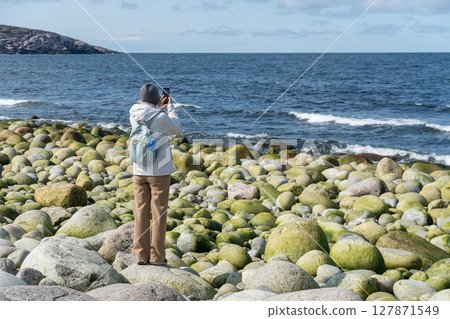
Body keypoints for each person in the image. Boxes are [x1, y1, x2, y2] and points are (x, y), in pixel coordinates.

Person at [129, 83, 182, 265]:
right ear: (157, 99)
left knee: (140, 212)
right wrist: (170, 107)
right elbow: (176, 129)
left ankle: (140, 256)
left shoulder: (133, 113)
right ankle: (157, 257)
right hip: (159, 171)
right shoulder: (160, 116)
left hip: (139, 169)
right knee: (159, 213)